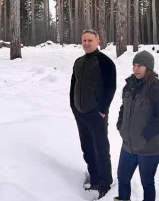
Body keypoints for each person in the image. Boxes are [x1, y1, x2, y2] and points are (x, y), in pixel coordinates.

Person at [114, 50, 159, 201]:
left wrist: (144, 136)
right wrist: (120, 125)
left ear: (149, 68)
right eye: (134, 65)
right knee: (122, 178)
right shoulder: (129, 86)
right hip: (128, 145)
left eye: (139, 65)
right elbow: (124, 107)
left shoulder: (157, 89)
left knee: (146, 183)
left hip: (149, 147)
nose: (135, 69)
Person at [70, 29, 117, 199]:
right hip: (80, 113)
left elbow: (110, 87)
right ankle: (95, 178)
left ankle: (105, 184)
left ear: (98, 42)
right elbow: (73, 85)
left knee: (101, 149)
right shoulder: (78, 62)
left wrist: (103, 109)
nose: (87, 43)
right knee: (87, 148)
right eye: (84, 40)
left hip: (96, 114)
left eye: (90, 40)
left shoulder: (105, 62)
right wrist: (73, 106)